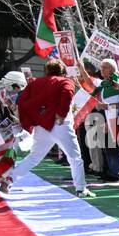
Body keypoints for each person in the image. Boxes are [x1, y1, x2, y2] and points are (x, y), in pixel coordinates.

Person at [6, 58, 93, 198]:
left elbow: (22, 100)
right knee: (75, 158)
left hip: (42, 126)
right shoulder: (65, 82)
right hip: (61, 125)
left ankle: (10, 179)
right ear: (62, 71)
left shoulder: (35, 83)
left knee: (34, 157)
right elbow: (67, 94)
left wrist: (32, 119)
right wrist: (61, 113)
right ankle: (81, 189)